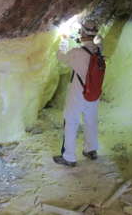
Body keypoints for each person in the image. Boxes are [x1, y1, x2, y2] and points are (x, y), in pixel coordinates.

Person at [53, 21, 101, 167]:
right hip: (93, 92)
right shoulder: (99, 50)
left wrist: (63, 42)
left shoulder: (76, 53)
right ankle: (91, 150)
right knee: (90, 120)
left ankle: (69, 157)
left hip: (78, 92)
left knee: (71, 120)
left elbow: (61, 58)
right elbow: (94, 44)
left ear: (84, 33)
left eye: (81, 31)